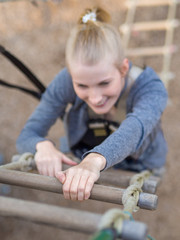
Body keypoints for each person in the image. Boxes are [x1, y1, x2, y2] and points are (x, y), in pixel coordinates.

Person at [16, 7, 168, 201]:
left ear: (123, 69)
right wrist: (41, 145)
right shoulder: (66, 80)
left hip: (140, 162)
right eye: (82, 86)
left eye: (104, 83)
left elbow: (135, 129)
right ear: (71, 76)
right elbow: (27, 135)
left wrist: (93, 161)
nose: (95, 98)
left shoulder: (150, 88)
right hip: (83, 153)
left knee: (152, 180)